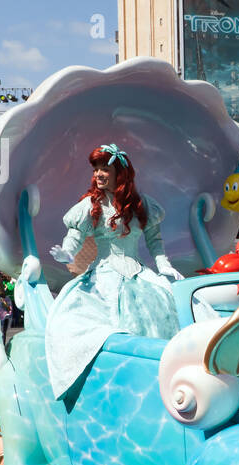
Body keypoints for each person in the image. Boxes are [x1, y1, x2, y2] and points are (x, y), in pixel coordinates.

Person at [45, 144, 184, 399]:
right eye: (96, 169)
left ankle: (158, 379)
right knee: (79, 320)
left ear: (120, 173)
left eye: (104, 168)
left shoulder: (142, 205)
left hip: (139, 274)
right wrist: (67, 253)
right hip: (103, 275)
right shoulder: (90, 206)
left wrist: (164, 265)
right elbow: (74, 237)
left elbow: (154, 241)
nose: (98, 174)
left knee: (169, 309)